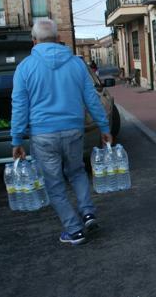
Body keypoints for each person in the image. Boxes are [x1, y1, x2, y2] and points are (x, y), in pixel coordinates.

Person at [11, 19, 112, 245]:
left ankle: (74, 230)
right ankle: (87, 213)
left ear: (33, 41)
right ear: (58, 39)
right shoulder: (76, 64)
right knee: (77, 172)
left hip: (43, 135)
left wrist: (16, 139)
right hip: (74, 130)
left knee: (54, 183)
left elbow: (19, 107)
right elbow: (92, 100)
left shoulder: (25, 68)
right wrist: (104, 128)